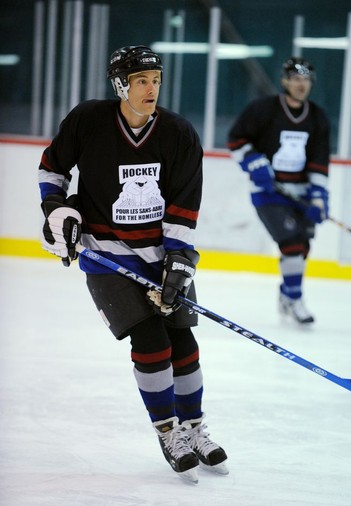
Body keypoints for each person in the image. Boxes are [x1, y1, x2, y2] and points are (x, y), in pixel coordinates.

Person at [38, 45, 228, 483]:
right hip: (107, 256)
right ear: (120, 84)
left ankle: (194, 427)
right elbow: (52, 169)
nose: (151, 89)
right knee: (150, 341)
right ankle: (168, 432)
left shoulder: (179, 134)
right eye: (141, 80)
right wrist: (55, 211)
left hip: (161, 256)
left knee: (184, 344)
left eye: (156, 80)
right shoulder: (88, 121)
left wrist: (179, 261)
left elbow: (183, 206)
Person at [227, 57, 330, 324]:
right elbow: (236, 139)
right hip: (268, 193)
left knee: (303, 245)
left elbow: (319, 160)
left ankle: (287, 293)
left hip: (301, 193)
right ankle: (296, 300)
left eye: (306, 79)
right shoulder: (263, 109)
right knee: (291, 242)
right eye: (296, 79)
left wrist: (319, 196)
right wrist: (254, 161)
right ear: (285, 81)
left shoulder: (317, 117)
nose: (301, 84)